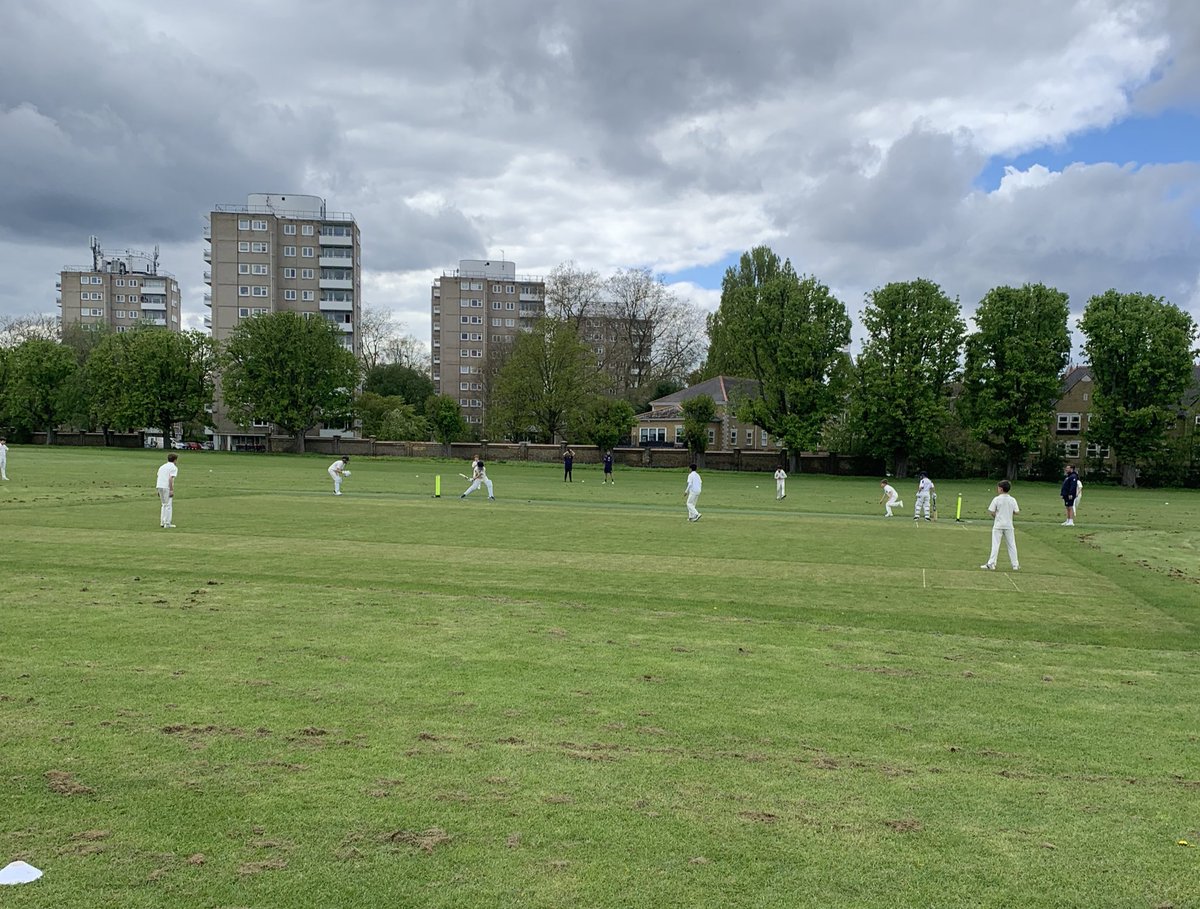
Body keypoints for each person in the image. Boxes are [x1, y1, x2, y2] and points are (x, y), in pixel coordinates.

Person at [981, 479, 1020, 571]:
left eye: (998, 488)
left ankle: (991, 563)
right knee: (1012, 545)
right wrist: (1008, 513)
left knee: (995, 545)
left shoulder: (997, 499)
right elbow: (1017, 512)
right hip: (1009, 525)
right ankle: (1015, 565)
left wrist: (997, 516)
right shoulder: (1012, 500)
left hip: (998, 525)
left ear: (1001, 489)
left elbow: (992, 511)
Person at [156, 453, 178, 529]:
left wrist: (158, 490)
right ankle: (167, 523)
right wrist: (171, 490)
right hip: (166, 486)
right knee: (168, 505)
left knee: (164, 504)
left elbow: (159, 476)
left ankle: (162, 522)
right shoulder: (173, 467)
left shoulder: (162, 466)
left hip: (159, 485)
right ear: (175, 460)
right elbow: (170, 479)